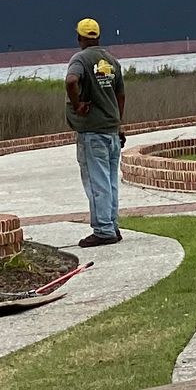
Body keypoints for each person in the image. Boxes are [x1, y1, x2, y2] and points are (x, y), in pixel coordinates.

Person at [65, 16, 127, 246]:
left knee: (96, 182)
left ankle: (103, 230)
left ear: (79, 37)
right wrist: (118, 123)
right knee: (110, 182)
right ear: (98, 37)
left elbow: (71, 80)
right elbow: (120, 95)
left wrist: (78, 104)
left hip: (92, 132)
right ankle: (112, 225)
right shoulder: (111, 61)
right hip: (111, 131)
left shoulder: (80, 59)